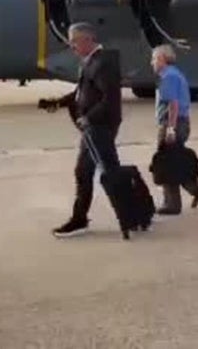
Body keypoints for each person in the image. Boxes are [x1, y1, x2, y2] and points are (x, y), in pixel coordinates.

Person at [48, 22, 122, 238]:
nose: (72, 47)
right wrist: (59, 102)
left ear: (87, 40)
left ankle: (82, 219)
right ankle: (136, 212)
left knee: (95, 172)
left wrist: (88, 118)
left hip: (100, 127)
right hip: (94, 127)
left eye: (74, 42)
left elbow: (110, 99)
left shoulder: (104, 63)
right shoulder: (90, 62)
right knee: (102, 171)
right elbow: (82, 93)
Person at [150, 44, 198, 214]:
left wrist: (170, 128)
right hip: (180, 122)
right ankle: (196, 188)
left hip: (173, 122)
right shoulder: (175, 74)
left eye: (155, 58)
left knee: (166, 163)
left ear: (163, 59)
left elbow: (172, 104)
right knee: (176, 160)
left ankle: (172, 203)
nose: (152, 63)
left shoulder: (168, 76)